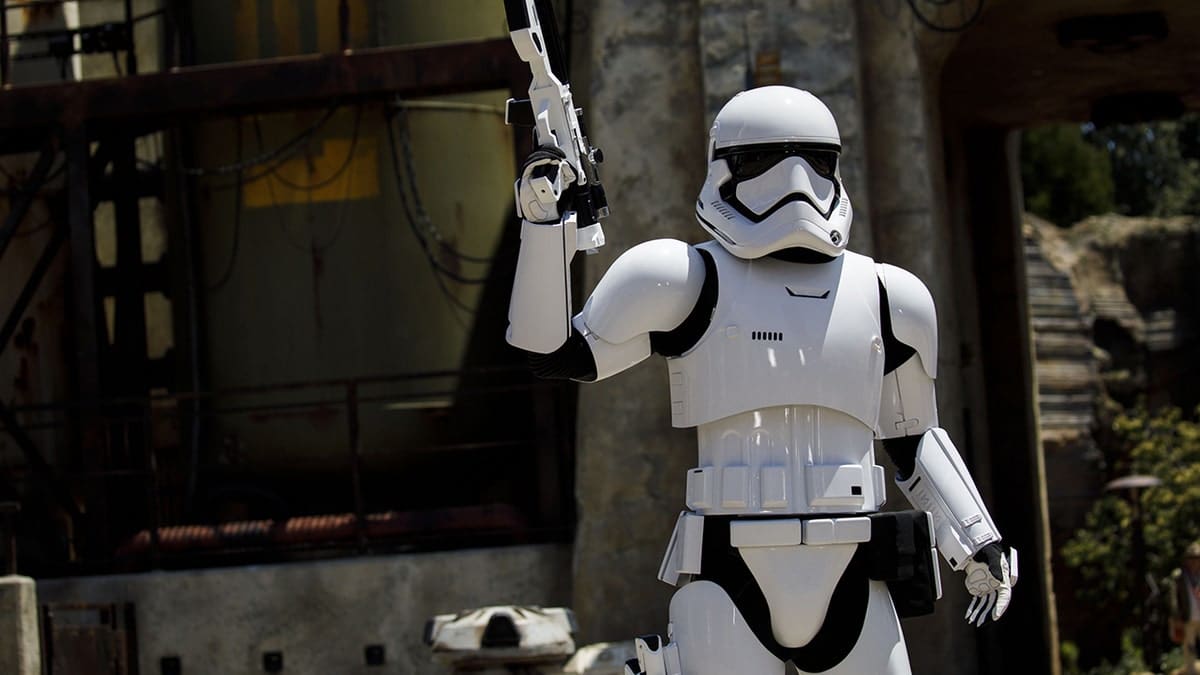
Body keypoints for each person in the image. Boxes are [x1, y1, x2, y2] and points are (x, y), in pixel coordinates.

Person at [506, 85, 1017, 675]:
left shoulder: (889, 296)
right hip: (730, 572)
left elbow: (911, 438)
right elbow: (554, 354)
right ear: (725, 168)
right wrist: (546, 224)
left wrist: (977, 538)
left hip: (854, 570)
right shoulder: (681, 277)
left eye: (814, 161)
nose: (794, 182)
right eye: (764, 161)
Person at [1169, 542, 1200, 674]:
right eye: (1191, 558)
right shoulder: (1180, 577)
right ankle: (1191, 671)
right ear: (1186, 560)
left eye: (1197, 558)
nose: (1194, 561)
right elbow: (1174, 599)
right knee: (1189, 647)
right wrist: (1176, 617)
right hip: (1188, 617)